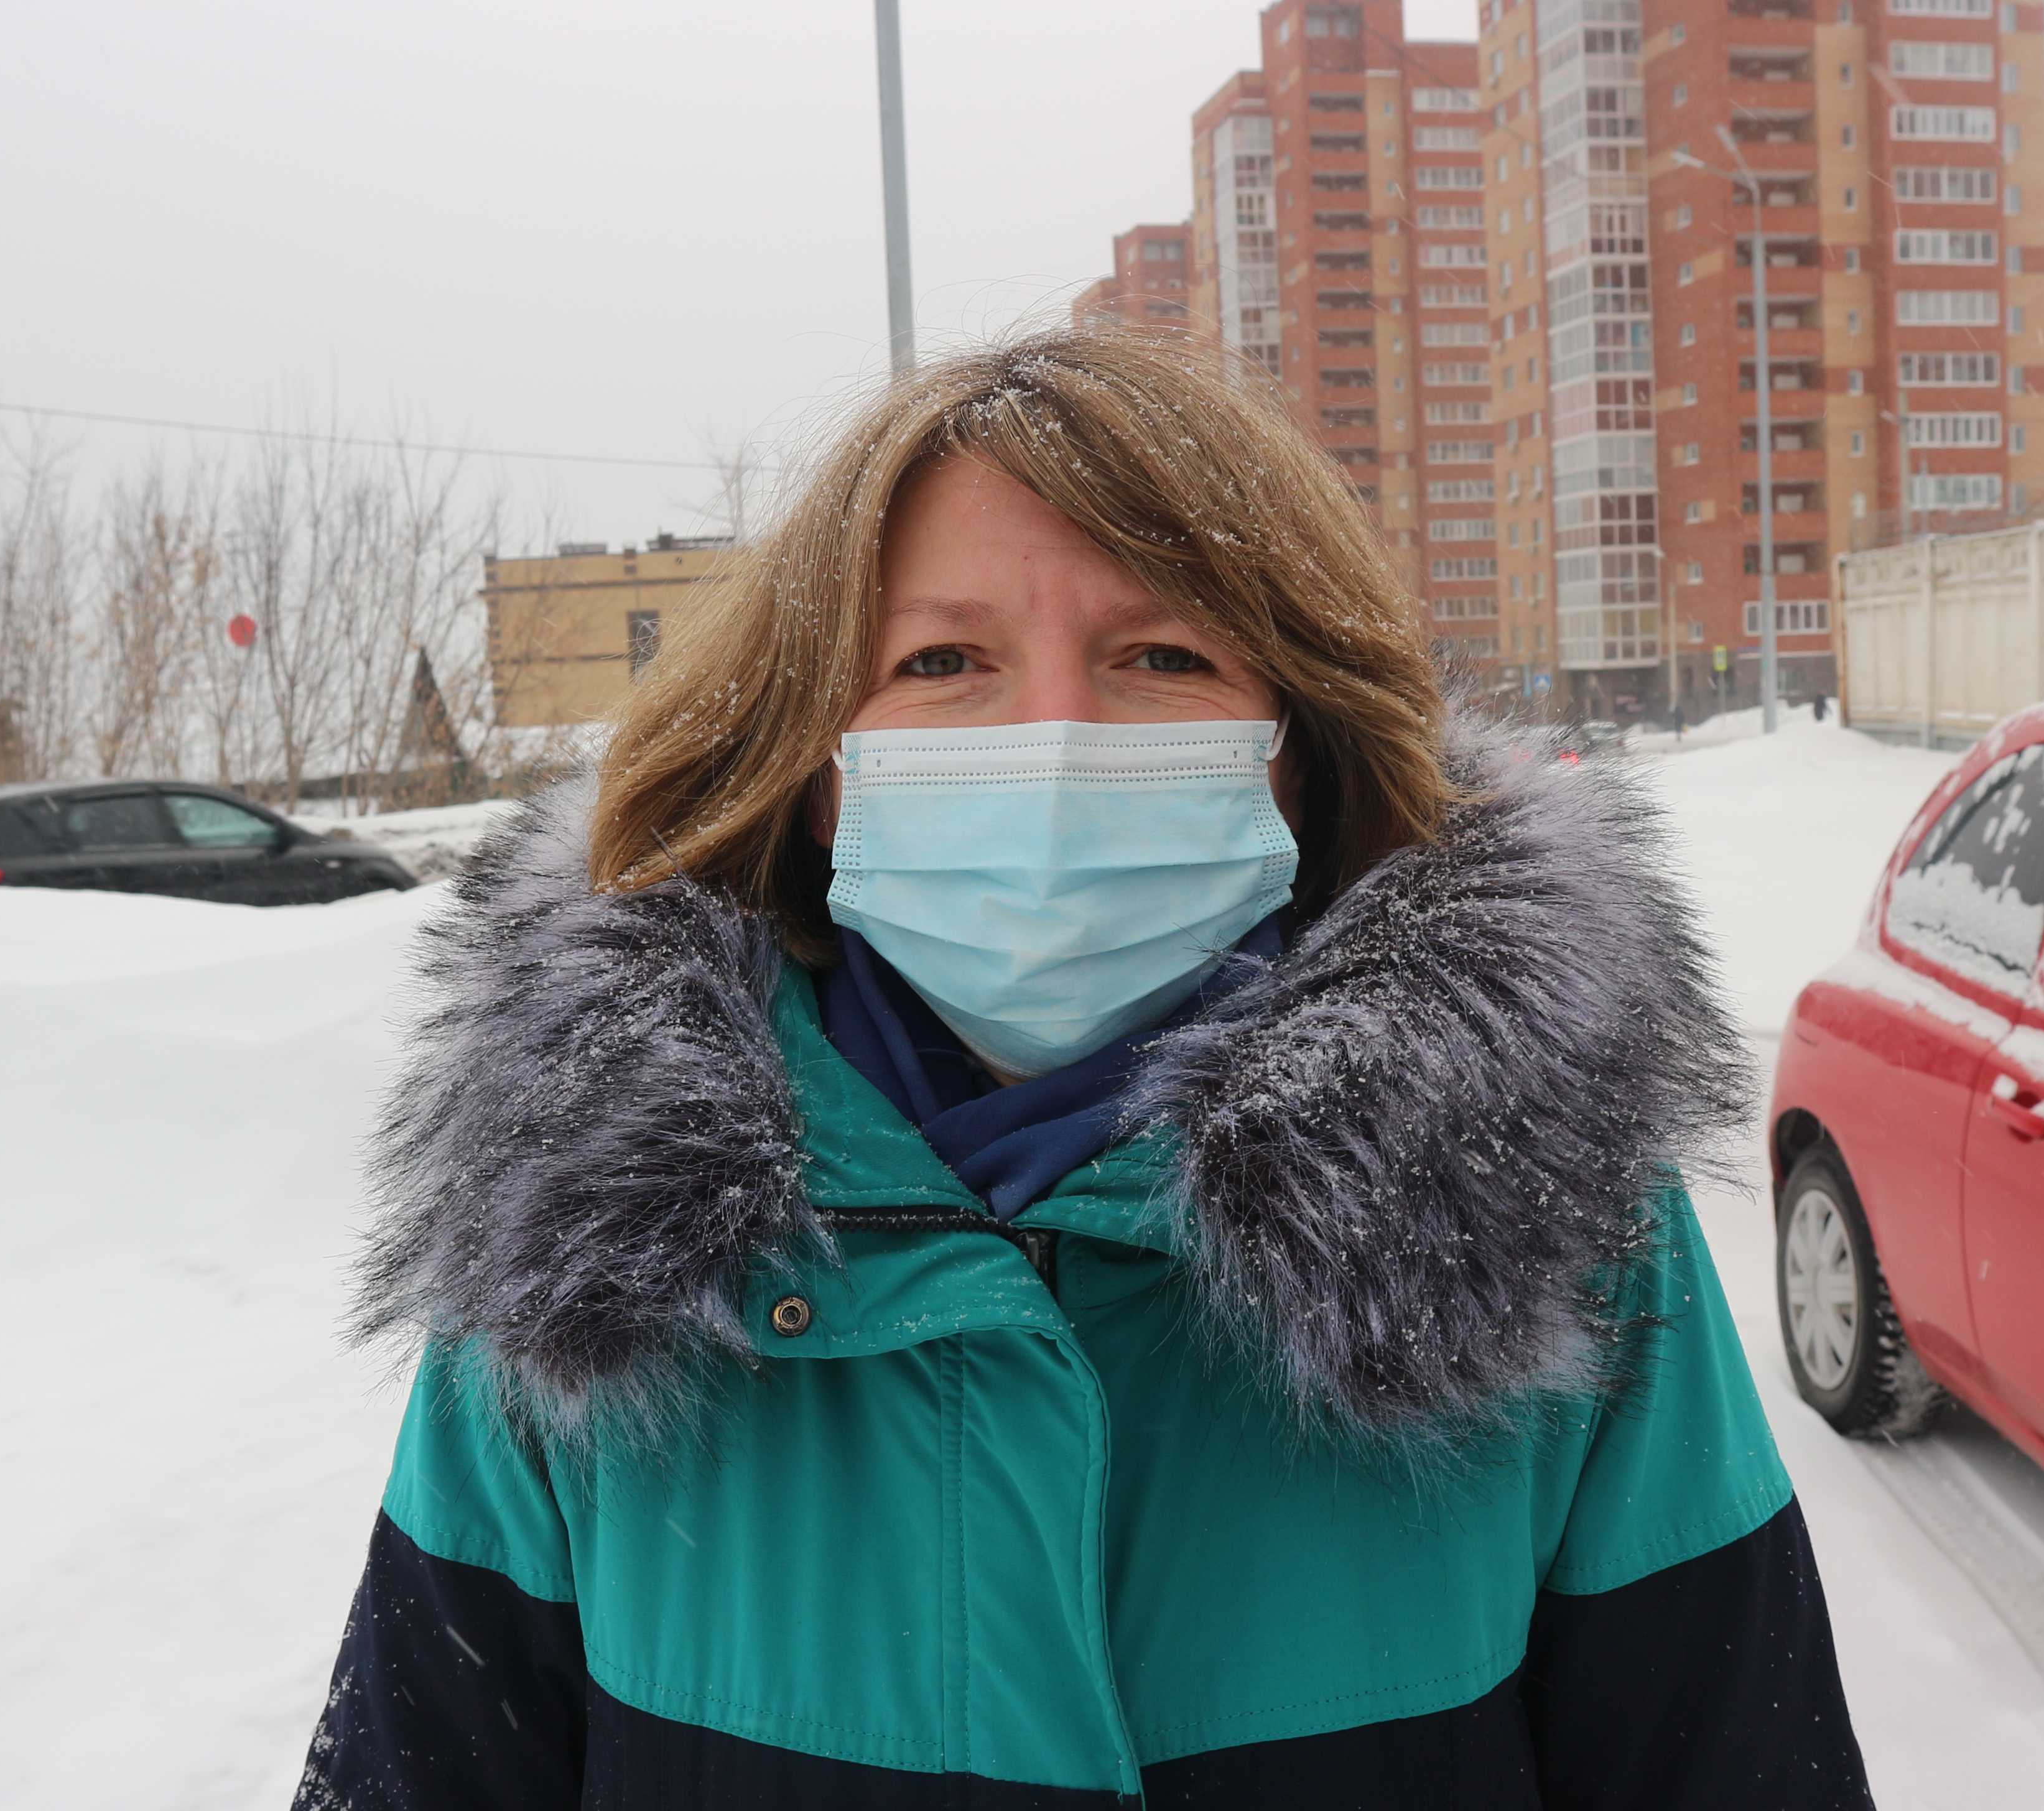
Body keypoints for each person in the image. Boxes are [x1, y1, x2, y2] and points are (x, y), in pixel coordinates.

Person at [294, 330, 1872, 1810]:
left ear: (1301, 750)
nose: (1053, 735)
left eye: (1164, 653)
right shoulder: (581, 1245)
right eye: (942, 662)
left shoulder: (1545, 1217)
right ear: (818, 768)